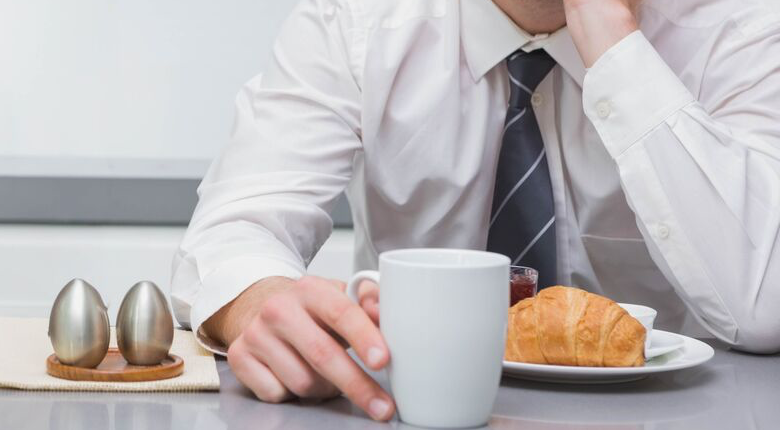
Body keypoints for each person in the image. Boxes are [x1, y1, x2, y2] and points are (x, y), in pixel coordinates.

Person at [169, 0, 780, 421]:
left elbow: (765, 304)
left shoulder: (738, 25)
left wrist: (618, 53)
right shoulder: (359, 19)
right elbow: (238, 226)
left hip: (676, 416)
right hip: (420, 413)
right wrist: (258, 300)